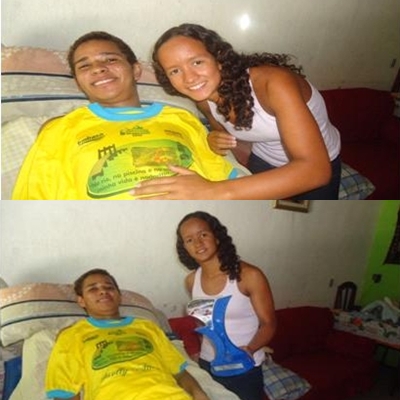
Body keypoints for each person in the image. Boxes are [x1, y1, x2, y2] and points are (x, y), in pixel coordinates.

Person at [11, 31, 237, 200]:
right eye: (84, 66)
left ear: (136, 70)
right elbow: (35, 198)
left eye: (110, 60)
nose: (98, 68)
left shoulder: (182, 118)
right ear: (78, 82)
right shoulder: (60, 129)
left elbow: (224, 179)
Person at [130, 23, 341, 200]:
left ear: (219, 59)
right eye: (175, 71)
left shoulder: (274, 83)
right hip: (262, 160)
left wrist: (212, 191)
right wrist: (213, 138)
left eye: (197, 62)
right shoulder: (203, 99)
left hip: (318, 162)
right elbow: (223, 133)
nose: (190, 78)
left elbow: (316, 170)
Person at [45, 268, 210, 400]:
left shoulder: (147, 327)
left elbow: (180, 373)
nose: (103, 292)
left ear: (119, 296)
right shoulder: (72, 335)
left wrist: (201, 396)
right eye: (93, 289)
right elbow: (65, 393)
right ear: (81, 300)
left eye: (109, 287)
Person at [176, 211, 276, 400]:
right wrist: (200, 352)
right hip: (208, 365)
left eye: (203, 234)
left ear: (217, 237)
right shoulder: (191, 281)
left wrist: (250, 349)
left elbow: (269, 323)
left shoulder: (249, 275)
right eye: (189, 240)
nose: (198, 243)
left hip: (244, 366)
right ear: (185, 248)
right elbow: (201, 322)